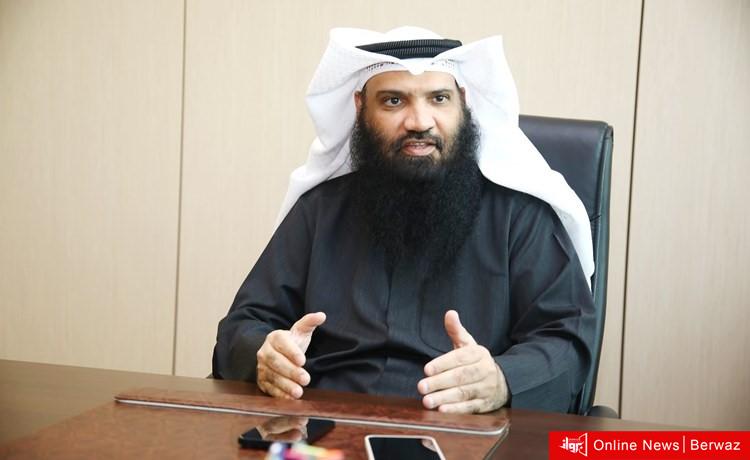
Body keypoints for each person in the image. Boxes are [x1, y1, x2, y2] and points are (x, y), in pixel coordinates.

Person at [212, 27, 596, 414]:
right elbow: (245, 323)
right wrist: (265, 355)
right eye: (394, 101)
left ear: (463, 103)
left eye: (439, 98)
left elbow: (566, 337)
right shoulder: (320, 210)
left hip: (461, 429)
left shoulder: (519, 215)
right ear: (361, 108)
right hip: (322, 427)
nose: (419, 121)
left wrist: (502, 379)